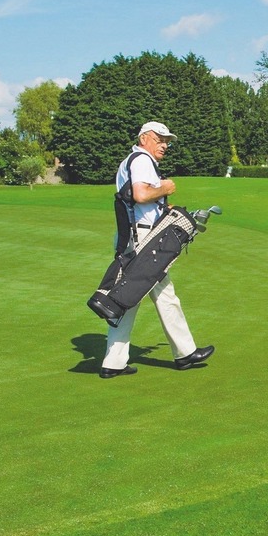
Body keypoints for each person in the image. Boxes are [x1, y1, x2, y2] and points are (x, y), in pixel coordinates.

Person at [100, 121, 215, 379]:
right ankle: (185, 353)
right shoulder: (141, 159)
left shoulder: (135, 160)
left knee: (131, 296)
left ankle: (114, 362)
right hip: (143, 238)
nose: (165, 145)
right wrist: (165, 186)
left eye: (168, 141)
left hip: (136, 235)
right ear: (144, 138)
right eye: (160, 139)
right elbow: (141, 195)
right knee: (156, 295)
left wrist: (165, 205)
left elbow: (140, 200)